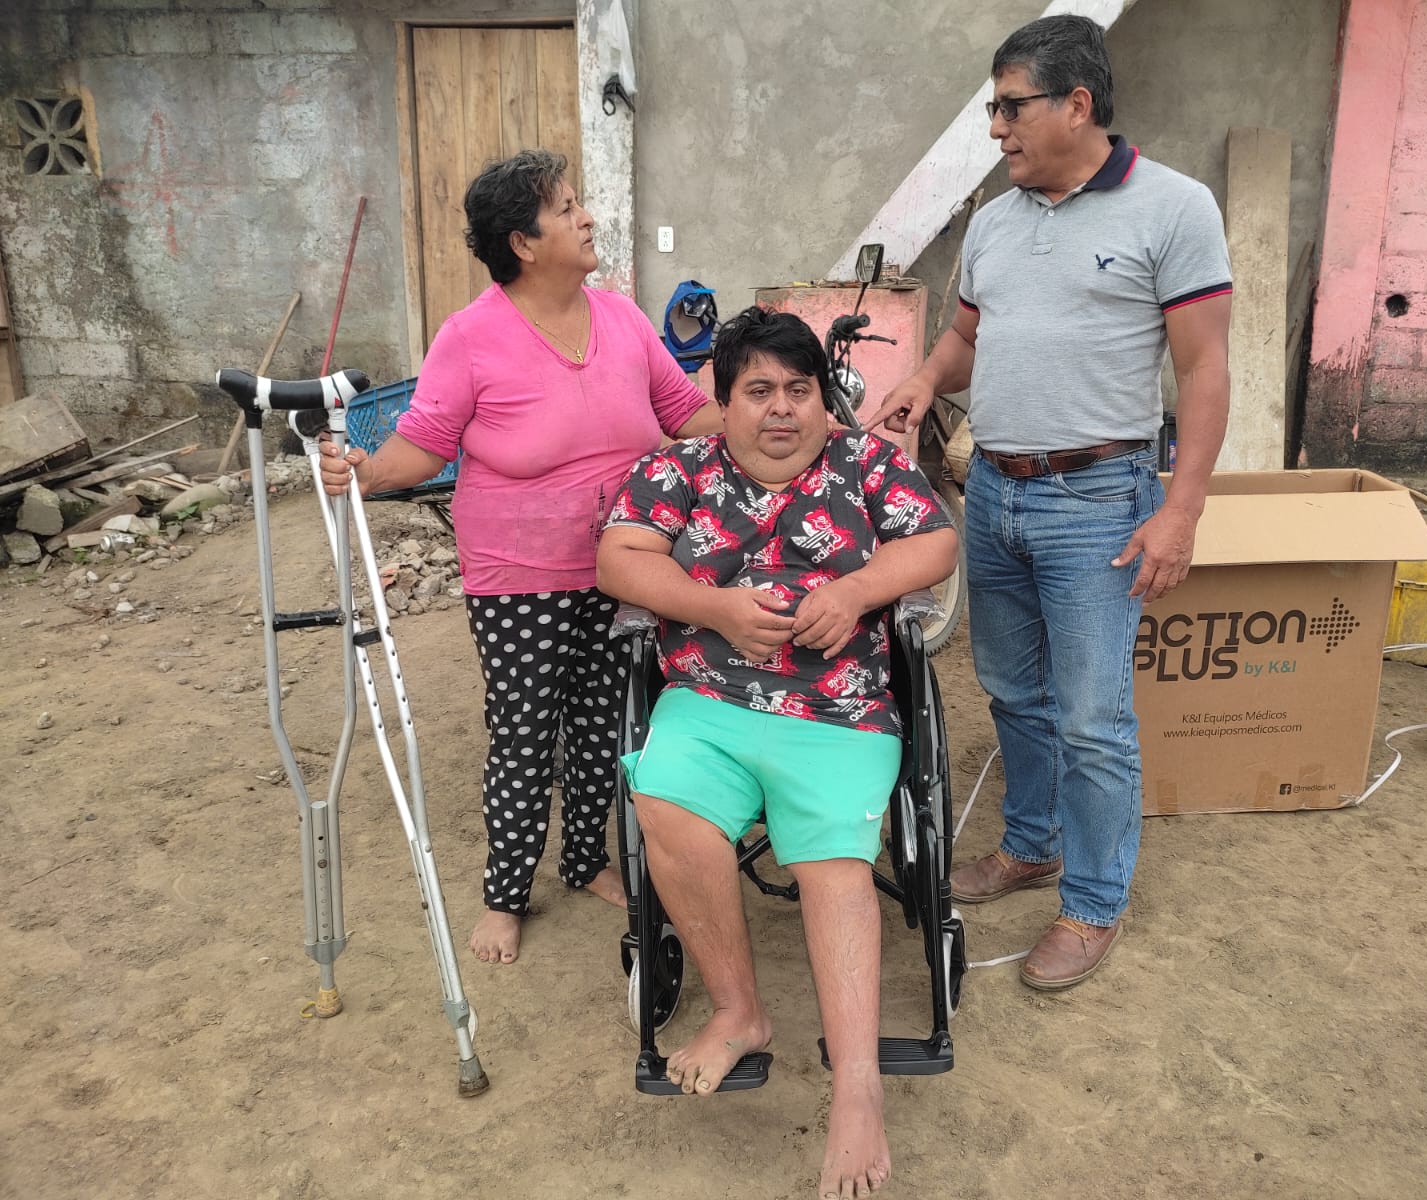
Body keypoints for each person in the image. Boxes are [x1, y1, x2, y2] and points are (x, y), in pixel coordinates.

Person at [872, 14, 1231, 991]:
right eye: (992, 111)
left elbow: (1203, 369)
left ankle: (1094, 902)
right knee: (1012, 692)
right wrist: (924, 379)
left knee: (1092, 717)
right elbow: (967, 337)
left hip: (1099, 501)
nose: (996, 129)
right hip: (993, 492)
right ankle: (1032, 845)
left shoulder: (1174, 208)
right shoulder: (995, 221)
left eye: (1010, 107)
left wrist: (1181, 509)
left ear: (1077, 104)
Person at [317, 149, 721, 965]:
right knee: (525, 733)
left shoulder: (621, 318)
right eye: (566, 208)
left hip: (627, 564)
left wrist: (780, 416)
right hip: (519, 578)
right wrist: (362, 471)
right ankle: (505, 894)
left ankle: (583, 860)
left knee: (606, 724)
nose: (587, 217)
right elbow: (425, 443)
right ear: (524, 244)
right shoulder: (471, 337)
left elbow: (685, 412)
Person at [596, 307, 958, 1200]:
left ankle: (858, 1090)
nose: (783, 409)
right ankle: (739, 1012)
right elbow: (619, 558)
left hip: (840, 707)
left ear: (823, 400)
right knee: (666, 800)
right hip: (709, 699)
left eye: (800, 389)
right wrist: (714, 607)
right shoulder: (677, 469)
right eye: (758, 391)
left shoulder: (867, 463)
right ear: (723, 403)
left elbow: (938, 542)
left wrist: (858, 590)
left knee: (833, 860)